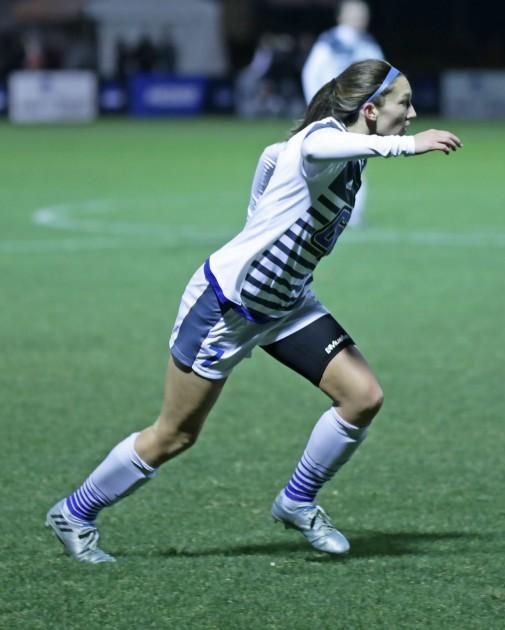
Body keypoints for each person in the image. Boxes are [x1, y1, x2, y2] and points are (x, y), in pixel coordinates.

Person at [44, 59, 462, 563]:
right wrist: (408, 145)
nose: (413, 114)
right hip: (227, 309)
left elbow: (271, 158)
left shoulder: (347, 154)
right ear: (370, 111)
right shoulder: (324, 140)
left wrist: (259, 220)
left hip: (286, 304)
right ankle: (74, 512)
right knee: (175, 435)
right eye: (405, 104)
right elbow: (308, 145)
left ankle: (297, 500)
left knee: (363, 396)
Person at [301, 0, 384, 227]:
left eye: (362, 15)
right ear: (342, 17)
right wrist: (316, 107)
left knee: (353, 161)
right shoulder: (329, 43)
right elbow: (311, 73)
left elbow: (380, 79)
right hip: (332, 111)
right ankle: (324, 212)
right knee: (338, 162)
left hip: (355, 114)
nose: (359, 20)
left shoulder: (366, 44)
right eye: (355, 15)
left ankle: (349, 214)